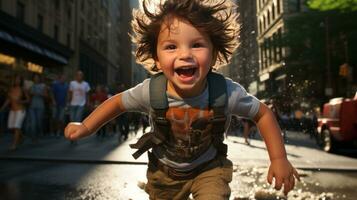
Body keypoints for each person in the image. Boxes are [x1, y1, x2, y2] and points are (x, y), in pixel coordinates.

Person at [64, 0, 299, 199]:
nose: (185, 54)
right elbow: (116, 104)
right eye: (171, 47)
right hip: (164, 174)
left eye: (197, 45)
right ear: (156, 59)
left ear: (215, 54)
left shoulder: (225, 92)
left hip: (210, 169)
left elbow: (263, 113)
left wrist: (279, 158)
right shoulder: (151, 91)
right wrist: (85, 126)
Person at [0, 75, 29, 150]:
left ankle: (14, 145)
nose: (17, 81)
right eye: (16, 79)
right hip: (12, 110)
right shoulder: (11, 89)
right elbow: (8, 100)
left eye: (19, 79)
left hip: (20, 110)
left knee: (16, 127)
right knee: (12, 127)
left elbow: (28, 100)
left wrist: (21, 101)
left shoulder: (23, 89)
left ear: (21, 81)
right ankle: (21, 136)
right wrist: (2, 108)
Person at [28, 74, 48, 141]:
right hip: (32, 106)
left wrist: (38, 94)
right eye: (35, 77)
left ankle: (40, 132)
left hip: (40, 106)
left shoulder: (43, 86)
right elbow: (28, 96)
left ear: (39, 78)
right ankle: (34, 136)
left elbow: (46, 95)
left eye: (37, 77)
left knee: (38, 122)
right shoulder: (31, 86)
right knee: (33, 122)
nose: (36, 79)